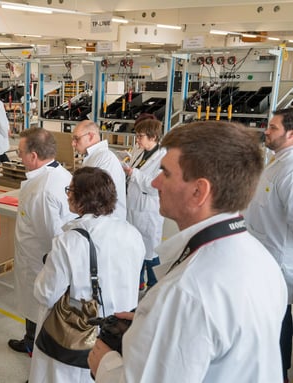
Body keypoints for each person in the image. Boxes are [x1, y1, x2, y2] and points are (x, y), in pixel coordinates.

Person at [88, 121, 287, 383]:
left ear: (198, 191)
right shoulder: (261, 260)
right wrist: (160, 327)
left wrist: (105, 364)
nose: (156, 183)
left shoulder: (186, 292)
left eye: (166, 173)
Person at [29, 167, 145, 383]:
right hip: (116, 334)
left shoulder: (69, 241)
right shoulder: (132, 233)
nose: (67, 194)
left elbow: (45, 294)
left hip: (76, 337)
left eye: (70, 190)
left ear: (82, 198)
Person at [8, 127, 77, 358]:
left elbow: (52, 238)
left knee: (41, 311)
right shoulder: (60, 173)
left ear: (34, 156)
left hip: (39, 263)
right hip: (37, 260)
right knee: (34, 309)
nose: (19, 156)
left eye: (20, 152)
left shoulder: (43, 191)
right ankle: (30, 341)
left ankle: (37, 358)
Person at [244, 107, 293, 383]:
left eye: (273, 127)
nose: (267, 131)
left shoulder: (291, 170)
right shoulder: (277, 162)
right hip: (262, 264)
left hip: (278, 267)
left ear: (291, 134)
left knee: (277, 326)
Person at [123, 119, 166, 291]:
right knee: (136, 248)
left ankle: (155, 285)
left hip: (149, 212)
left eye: (140, 136)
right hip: (133, 207)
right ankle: (139, 281)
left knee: (151, 251)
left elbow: (156, 185)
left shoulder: (163, 157)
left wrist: (133, 173)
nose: (137, 140)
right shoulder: (141, 152)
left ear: (153, 137)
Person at [72, 120, 126, 220]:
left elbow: (97, 197)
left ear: (91, 136)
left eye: (76, 139)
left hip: (106, 222)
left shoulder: (105, 158)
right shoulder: (94, 156)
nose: (73, 144)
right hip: (96, 220)